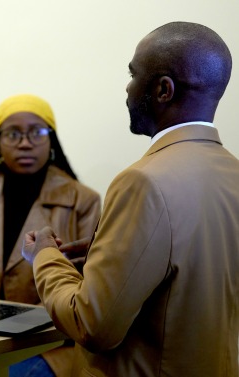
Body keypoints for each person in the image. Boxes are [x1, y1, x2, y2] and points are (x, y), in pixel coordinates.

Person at [22, 21, 239, 377]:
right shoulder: (233, 173)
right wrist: (103, 263)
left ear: (163, 90)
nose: (127, 86)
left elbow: (92, 325)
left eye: (133, 74)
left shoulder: (143, 182)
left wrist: (44, 255)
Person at [0, 94, 102, 376]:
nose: (25, 142)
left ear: (51, 141)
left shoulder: (83, 201)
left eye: (37, 132)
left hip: (51, 341)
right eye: (13, 134)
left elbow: (89, 288)